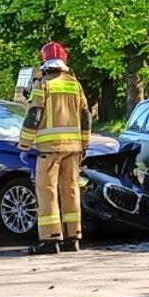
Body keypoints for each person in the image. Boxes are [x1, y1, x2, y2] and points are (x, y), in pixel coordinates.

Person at [18, 41, 90, 254]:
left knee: (47, 191)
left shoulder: (43, 85)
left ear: (45, 62)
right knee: (71, 190)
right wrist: (85, 143)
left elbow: (34, 115)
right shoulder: (75, 85)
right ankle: (73, 238)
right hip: (73, 148)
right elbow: (85, 116)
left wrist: (24, 144)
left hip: (49, 149)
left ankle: (51, 240)